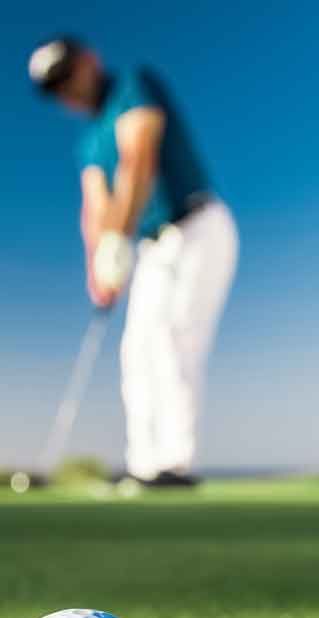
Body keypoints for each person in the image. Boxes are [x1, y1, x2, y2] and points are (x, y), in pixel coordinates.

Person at [28, 36, 237, 488]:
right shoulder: (88, 144)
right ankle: (143, 465)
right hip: (150, 248)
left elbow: (138, 159)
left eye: (66, 76)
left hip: (197, 227)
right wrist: (98, 270)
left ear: (89, 60)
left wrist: (117, 239)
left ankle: (176, 464)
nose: (65, 90)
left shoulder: (132, 85)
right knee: (136, 353)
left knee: (171, 342)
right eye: (54, 88)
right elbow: (95, 210)